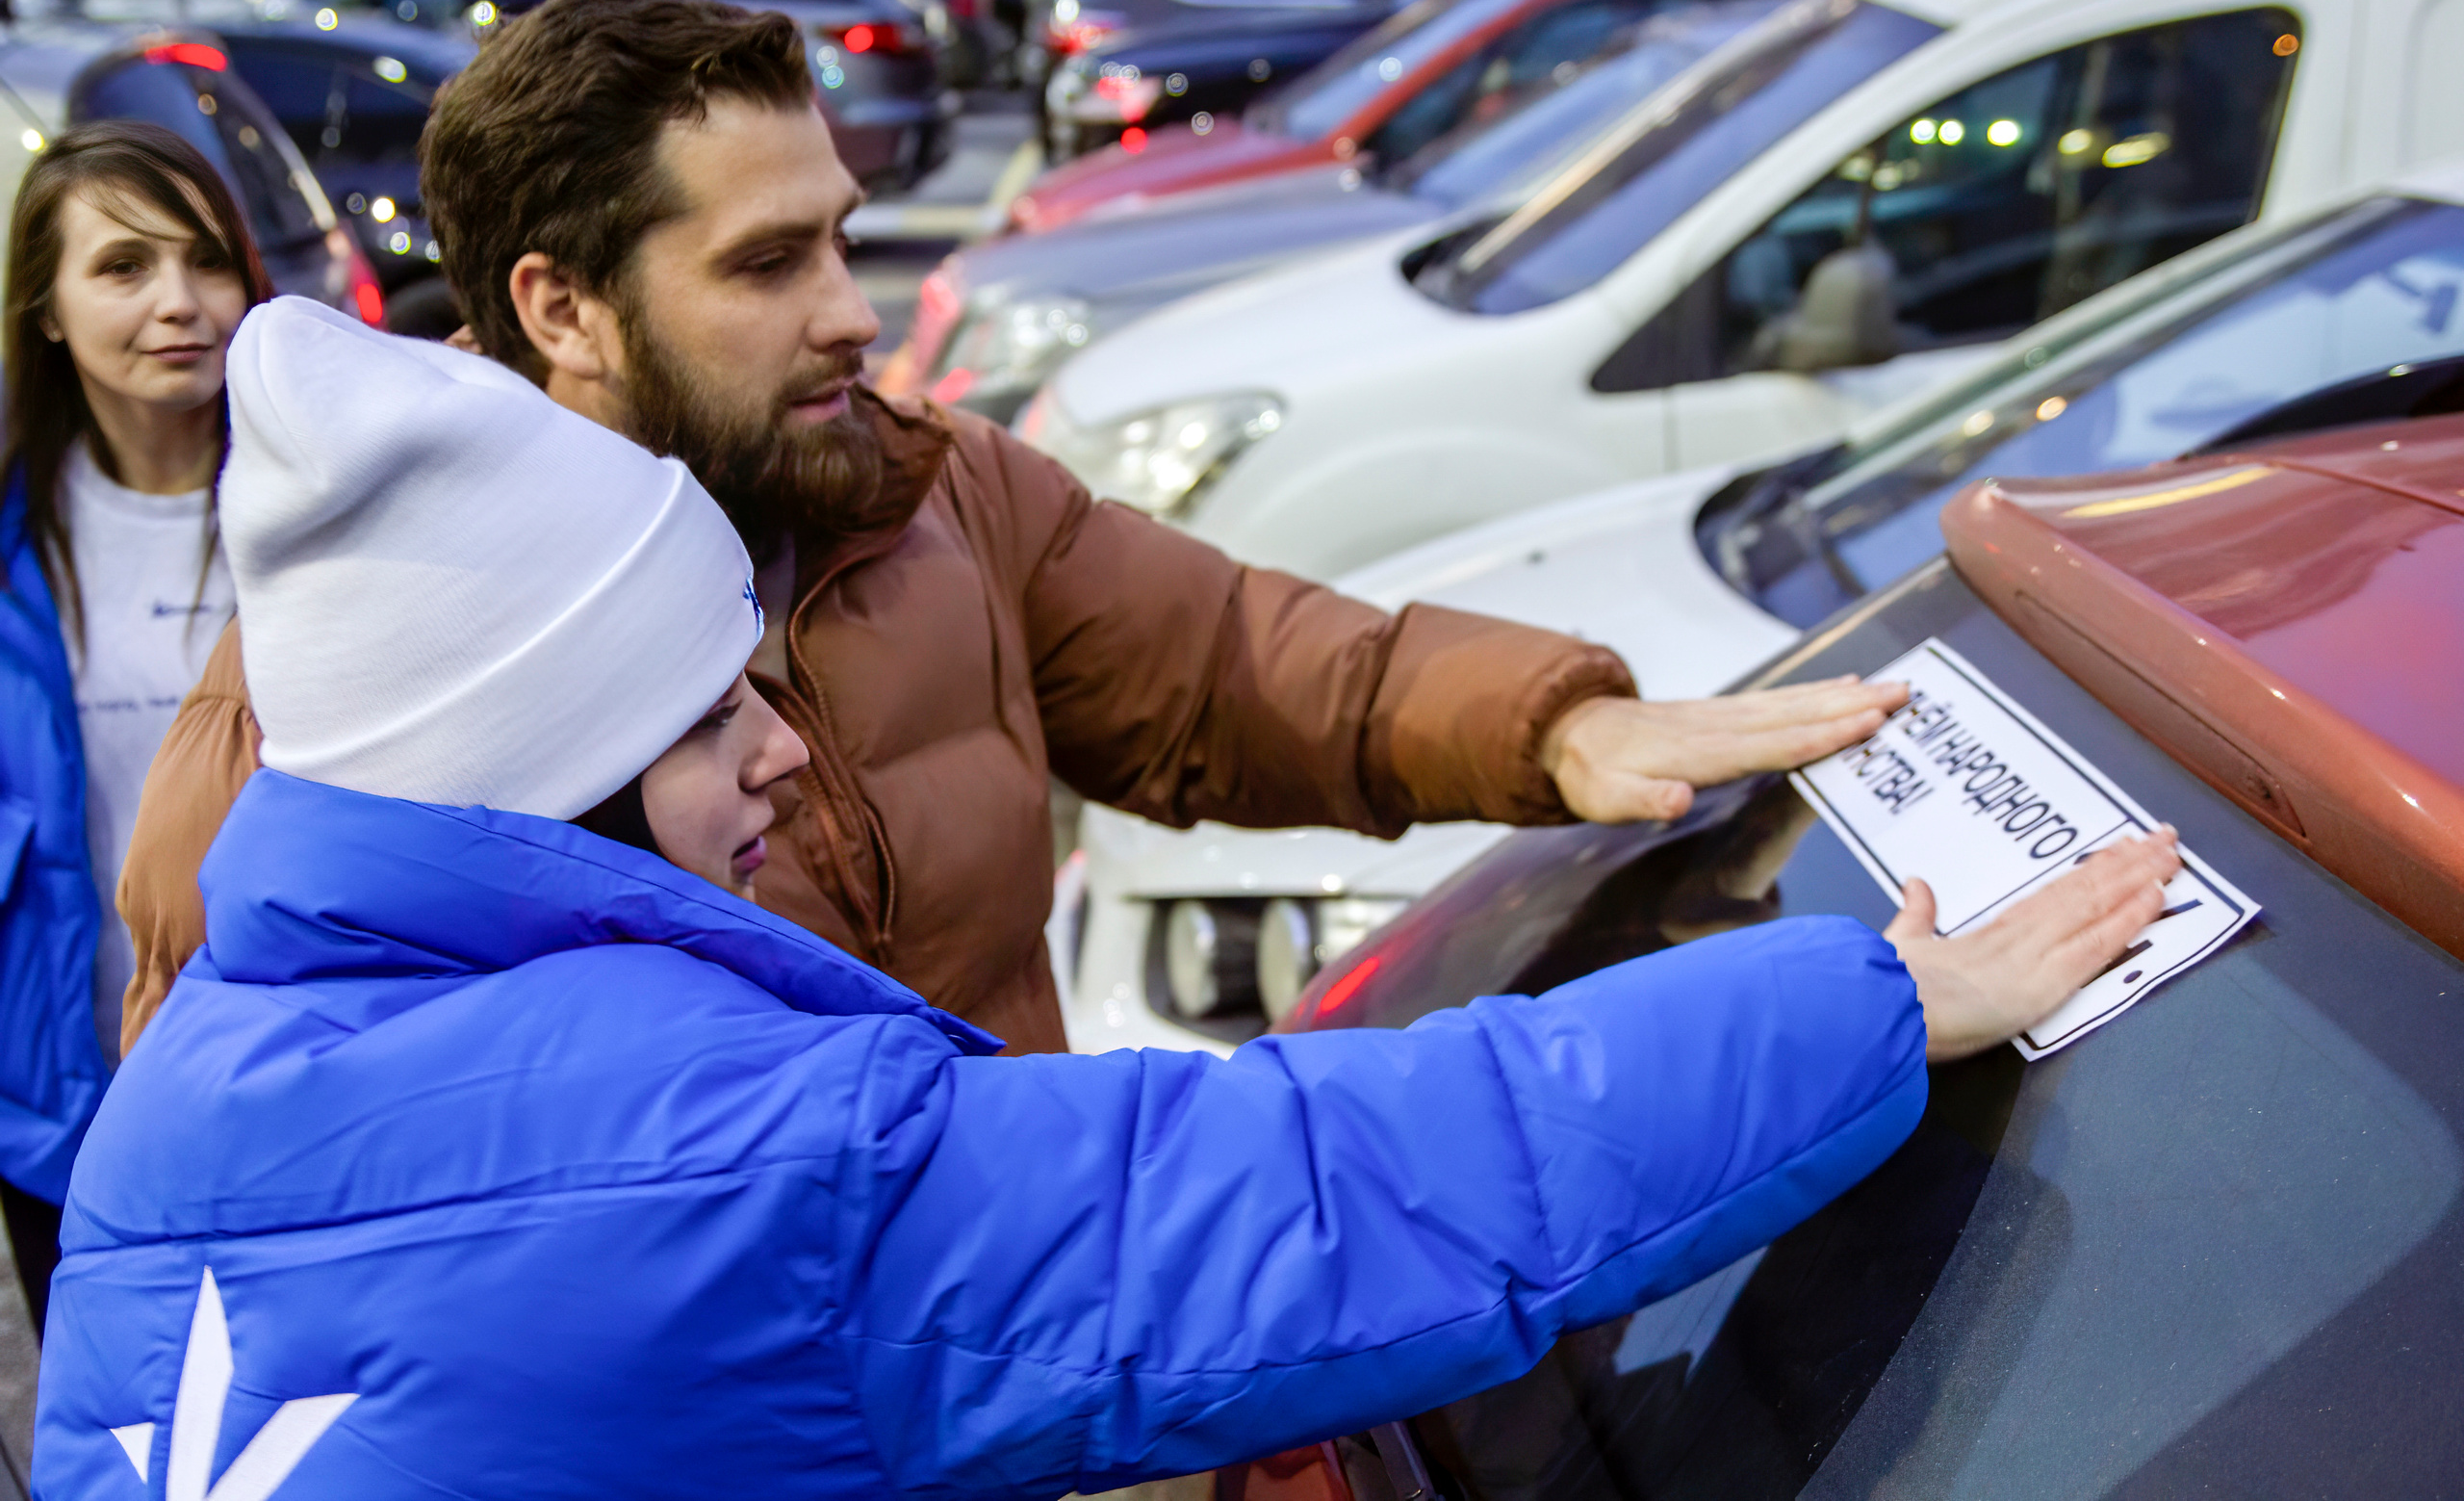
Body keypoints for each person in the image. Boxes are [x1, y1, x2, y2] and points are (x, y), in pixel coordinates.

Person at [36, 298, 2180, 1496]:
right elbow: (1313, 1191)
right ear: (548, 783)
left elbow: (1224, 660)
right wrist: (1862, 1002)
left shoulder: (175, 1115)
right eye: (701, 723)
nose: (781, 748)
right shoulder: (716, 1164)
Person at [113, 0, 1908, 1062]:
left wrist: (1557, 721)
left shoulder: (932, 490)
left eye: (839, 232)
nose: (853, 308)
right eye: (766, 262)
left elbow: (1246, 668)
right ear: (562, 308)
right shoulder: (344, 712)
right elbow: (272, 1225)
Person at [0, 121, 268, 1332]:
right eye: (122, 267)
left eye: (207, 260)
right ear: (45, 309)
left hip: (303, 1084)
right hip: (69, 1105)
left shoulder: (319, 499)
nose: (180, 303)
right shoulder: (12, 538)